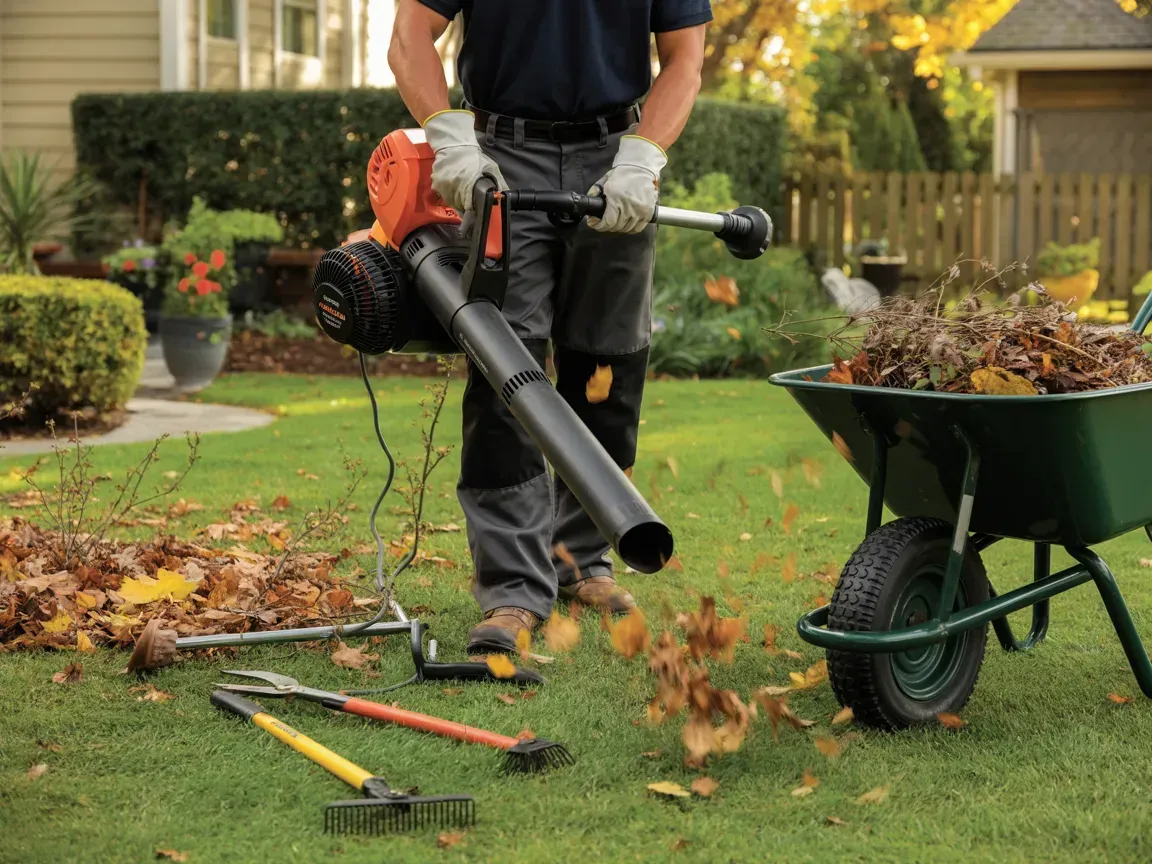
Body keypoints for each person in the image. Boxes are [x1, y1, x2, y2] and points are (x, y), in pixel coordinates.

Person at [388, 0, 712, 655]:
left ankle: (580, 560)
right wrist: (450, 137)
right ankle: (513, 588)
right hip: (502, 155)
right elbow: (409, 35)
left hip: (616, 153)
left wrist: (643, 155)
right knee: (507, 372)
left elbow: (686, 58)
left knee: (608, 367)